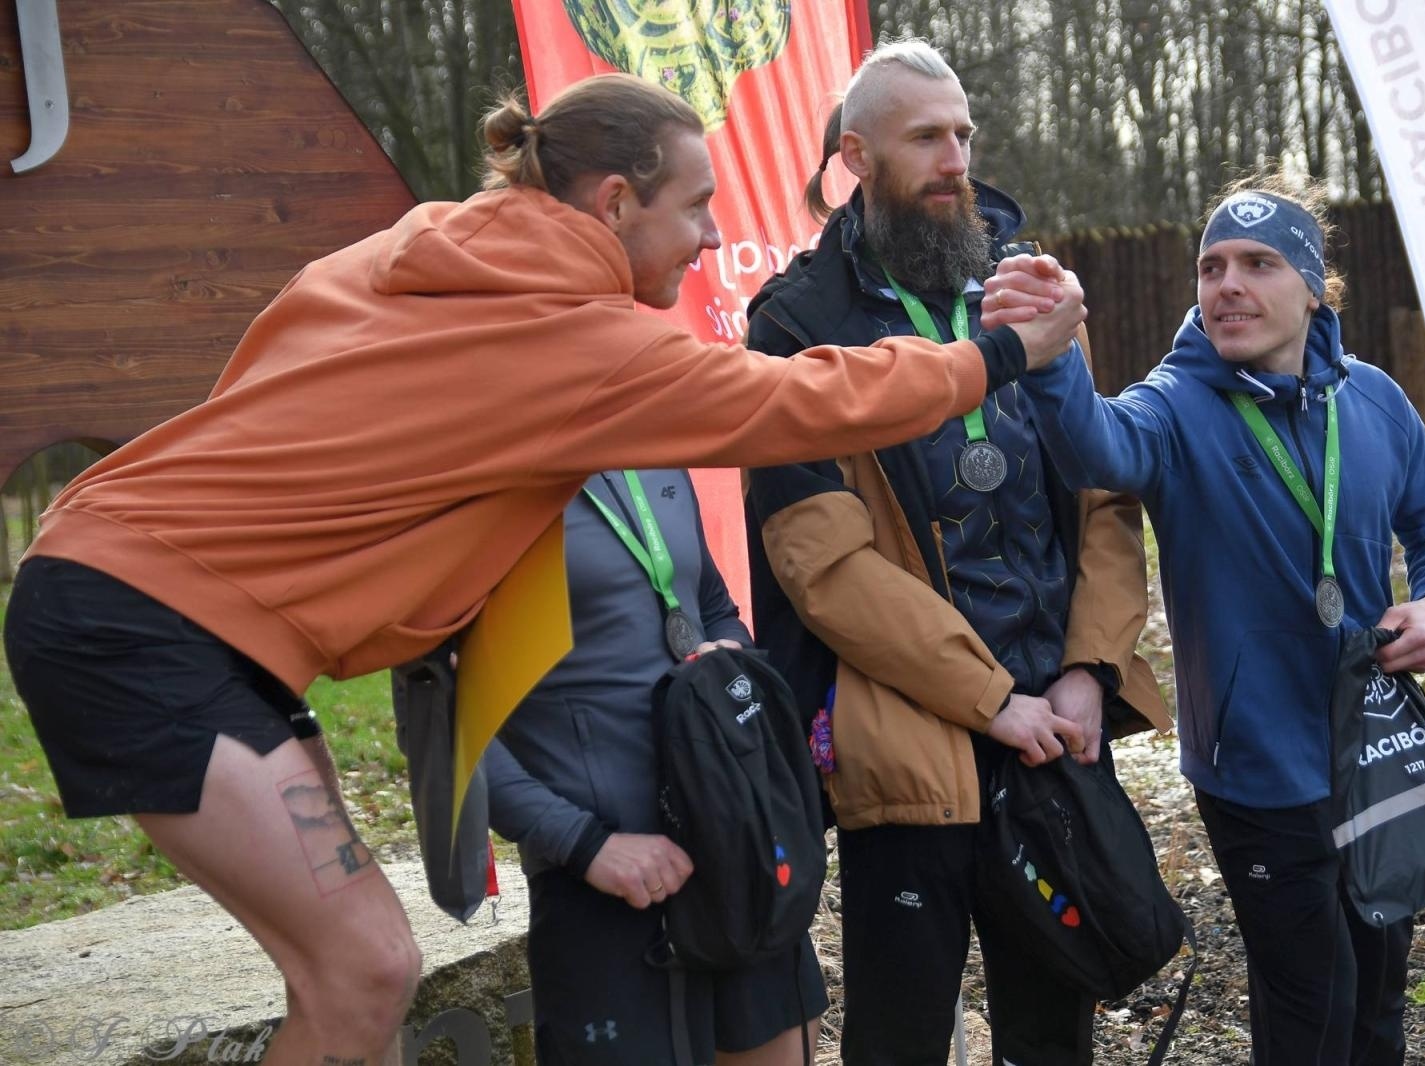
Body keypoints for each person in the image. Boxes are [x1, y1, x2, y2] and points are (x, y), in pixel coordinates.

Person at [0, 73, 1091, 1065]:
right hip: (139, 615)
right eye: (696, 206)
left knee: (349, 981)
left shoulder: (406, 250)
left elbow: (262, 376)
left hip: (148, 584)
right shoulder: (572, 340)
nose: (715, 235)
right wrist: (999, 354)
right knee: (365, 968)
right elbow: (796, 400)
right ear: (614, 203)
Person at [984, 174, 1425, 1065]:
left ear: (1313, 285)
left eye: (1258, 264)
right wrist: (1054, 357)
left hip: (1371, 749)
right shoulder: (1177, 404)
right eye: (1211, 267)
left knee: (1378, 994)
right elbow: (1096, 445)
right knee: (1311, 1003)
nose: (1228, 286)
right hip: (1255, 766)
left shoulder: (1372, 400)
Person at [742, 41, 1170, 1066]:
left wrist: (1088, 670)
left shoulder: (1029, 287)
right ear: (857, 156)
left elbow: (1104, 500)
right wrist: (990, 699)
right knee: (899, 1038)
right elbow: (825, 568)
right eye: (927, 137)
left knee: (1052, 1036)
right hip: (907, 741)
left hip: (1052, 733)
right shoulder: (796, 325)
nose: (956, 160)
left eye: (965, 135)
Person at [482, 468, 823, 1066]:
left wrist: (727, 655)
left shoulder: (652, 452)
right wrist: (583, 844)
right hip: (608, 876)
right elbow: (442, 730)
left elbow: (710, 605)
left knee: (791, 1034)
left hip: (730, 842)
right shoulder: (471, 480)